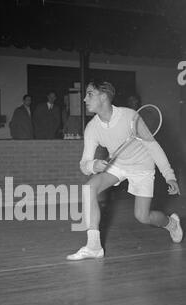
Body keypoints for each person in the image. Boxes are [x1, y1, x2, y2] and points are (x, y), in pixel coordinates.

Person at [67, 80, 183, 260]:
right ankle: (94, 246)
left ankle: (171, 223)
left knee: (142, 217)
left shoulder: (130, 116)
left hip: (142, 167)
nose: (84, 99)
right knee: (89, 188)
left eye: (89, 94)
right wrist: (93, 165)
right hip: (119, 165)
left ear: (103, 96)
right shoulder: (92, 128)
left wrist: (169, 175)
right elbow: (84, 164)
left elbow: (153, 147)